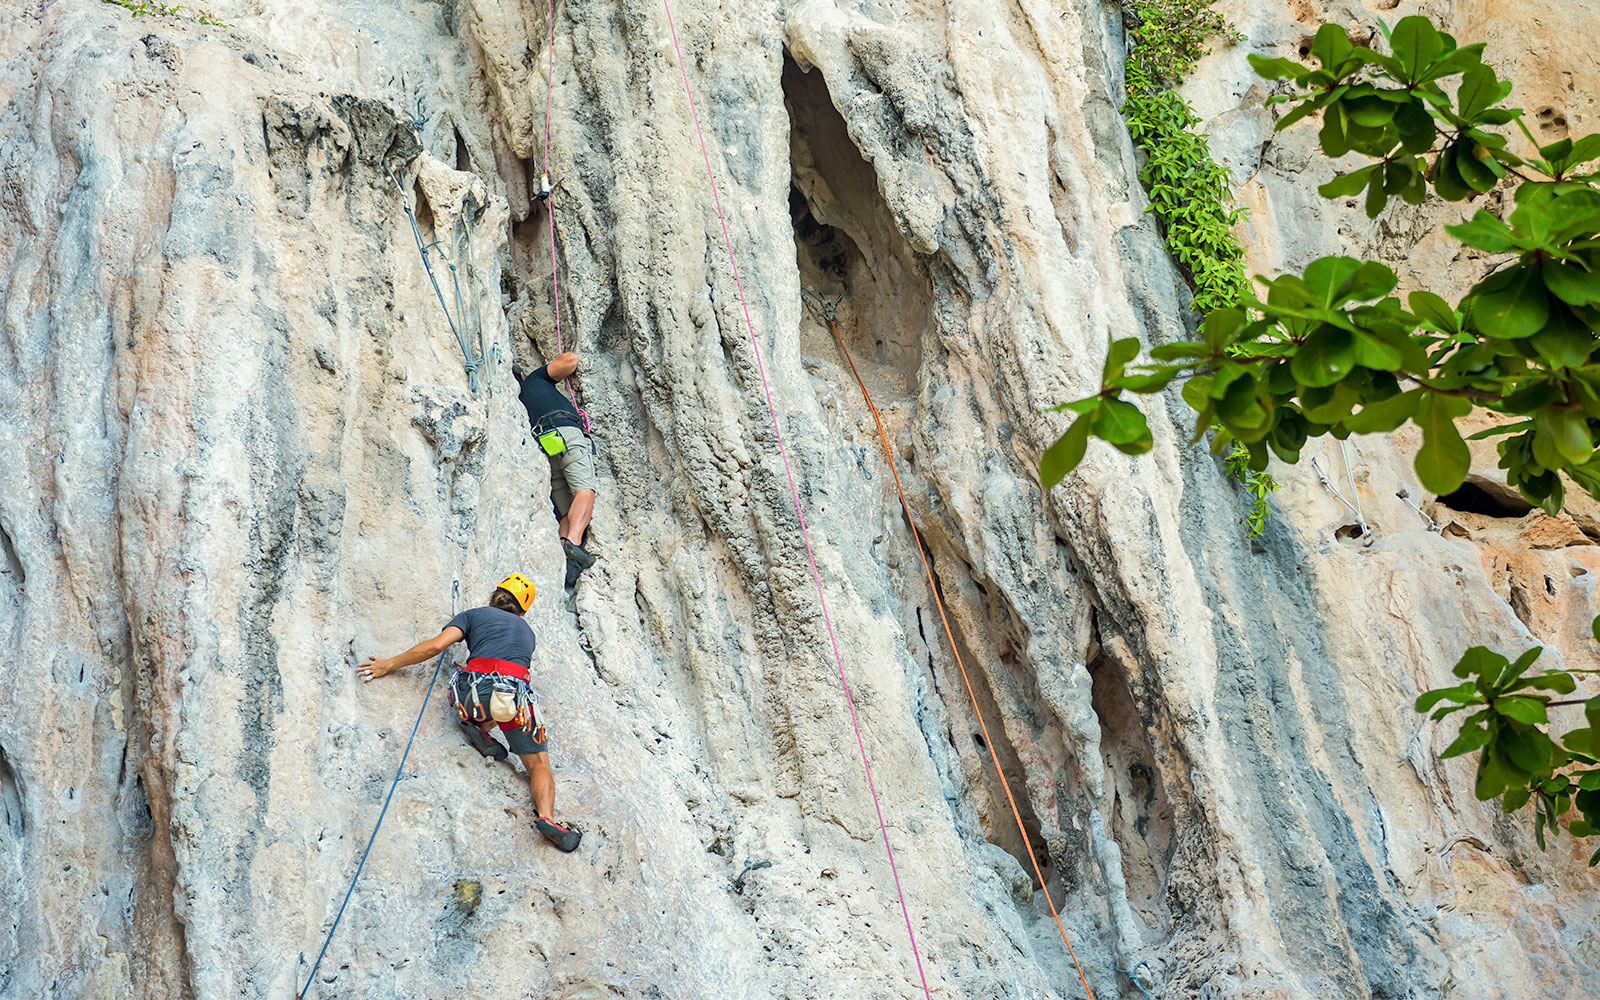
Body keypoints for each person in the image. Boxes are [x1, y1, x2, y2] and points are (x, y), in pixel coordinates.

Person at [357, 573, 582, 852]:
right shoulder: (527, 632)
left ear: (494, 595)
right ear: (523, 610)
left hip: (473, 691)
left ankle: (478, 727)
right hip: (512, 696)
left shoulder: (473, 615)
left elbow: (436, 645)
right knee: (538, 764)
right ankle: (547, 818)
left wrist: (388, 665)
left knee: (479, 691)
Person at [519, 352, 598, 587]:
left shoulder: (521, 400)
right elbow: (570, 360)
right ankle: (573, 544)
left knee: (566, 511)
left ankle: (564, 554)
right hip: (565, 430)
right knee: (585, 491)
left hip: (548, 445)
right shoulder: (535, 381)